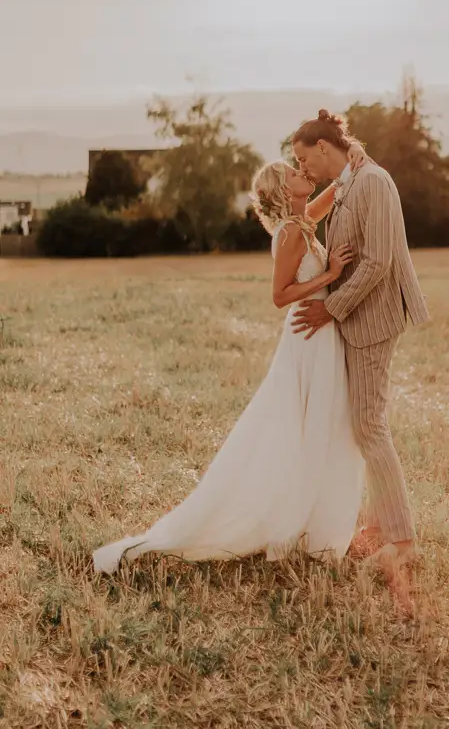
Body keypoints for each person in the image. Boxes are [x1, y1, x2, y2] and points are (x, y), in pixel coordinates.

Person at [92, 142, 369, 574]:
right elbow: (279, 297)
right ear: (283, 189)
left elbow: (328, 197)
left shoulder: (301, 222)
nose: (302, 172)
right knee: (305, 424)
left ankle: (310, 519)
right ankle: (295, 522)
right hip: (307, 338)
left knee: (320, 424)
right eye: (293, 172)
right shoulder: (292, 233)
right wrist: (331, 275)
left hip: (320, 336)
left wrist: (352, 165)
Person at [291, 110, 429, 572]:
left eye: (303, 158)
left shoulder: (373, 182)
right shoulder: (348, 182)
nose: (303, 168)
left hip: (374, 318)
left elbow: (378, 263)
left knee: (370, 425)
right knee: (362, 422)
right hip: (357, 318)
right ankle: (376, 525)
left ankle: (402, 542)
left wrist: (331, 306)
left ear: (324, 148)